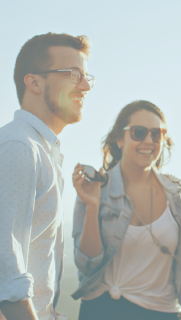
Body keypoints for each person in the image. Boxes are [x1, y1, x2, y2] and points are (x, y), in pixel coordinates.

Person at [71, 100, 181, 320]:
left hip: (160, 313)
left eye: (157, 134)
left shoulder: (177, 194)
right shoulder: (95, 189)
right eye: (139, 132)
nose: (148, 140)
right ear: (119, 138)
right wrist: (92, 205)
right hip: (100, 310)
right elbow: (88, 265)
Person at [0, 33, 93, 320]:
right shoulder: (19, 147)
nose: (86, 86)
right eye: (74, 75)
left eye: (87, 76)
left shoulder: (42, 150)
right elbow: (6, 269)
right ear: (35, 82)